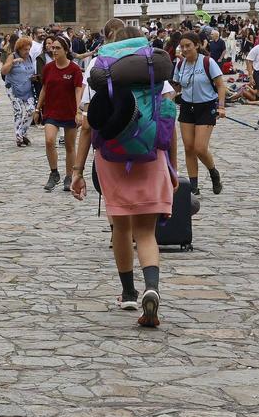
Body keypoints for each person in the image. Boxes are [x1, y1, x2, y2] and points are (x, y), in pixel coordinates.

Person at [70, 22, 179, 328]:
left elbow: (88, 124)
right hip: (151, 155)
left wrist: (77, 171)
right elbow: (168, 120)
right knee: (146, 232)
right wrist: (173, 167)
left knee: (120, 227)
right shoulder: (152, 71)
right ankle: (152, 287)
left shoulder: (101, 69)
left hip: (111, 157)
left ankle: (129, 292)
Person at [172, 32, 226, 196]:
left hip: (206, 107)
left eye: (188, 45)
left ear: (196, 45)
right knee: (189, 148)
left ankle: (213, 172)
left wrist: (221, 107)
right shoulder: (180, 65)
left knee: (200, 148)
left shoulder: (208, 62)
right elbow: (176, 87)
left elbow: (220, 85)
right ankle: (193, 186)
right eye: (182, 46)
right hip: (187, 107)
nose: (184, 49)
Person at [36, 37, 83, 192]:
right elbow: (44, 89)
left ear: (66, 50)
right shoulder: (48, 68)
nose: (54, 51)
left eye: (57, 48)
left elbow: (78, 91)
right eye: (53, 48)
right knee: (49, 140)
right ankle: (54, 173)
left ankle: (69, 176)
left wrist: (78, 111)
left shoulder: (74, 69)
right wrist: (37, 109)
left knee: (70, 146)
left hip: (69, 111)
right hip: (52, 111)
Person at [1, 37, 35, 147]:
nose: (27, 52)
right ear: (19, 49)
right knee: (18, 111)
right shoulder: (13, 56)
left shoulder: (29, 57)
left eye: (29, 49)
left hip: (27, 89)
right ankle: (19, 138)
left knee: (31, 110)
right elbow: (4, 71)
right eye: (25, 49)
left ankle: (22, 132)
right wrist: (13, 62)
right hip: (13, 89)